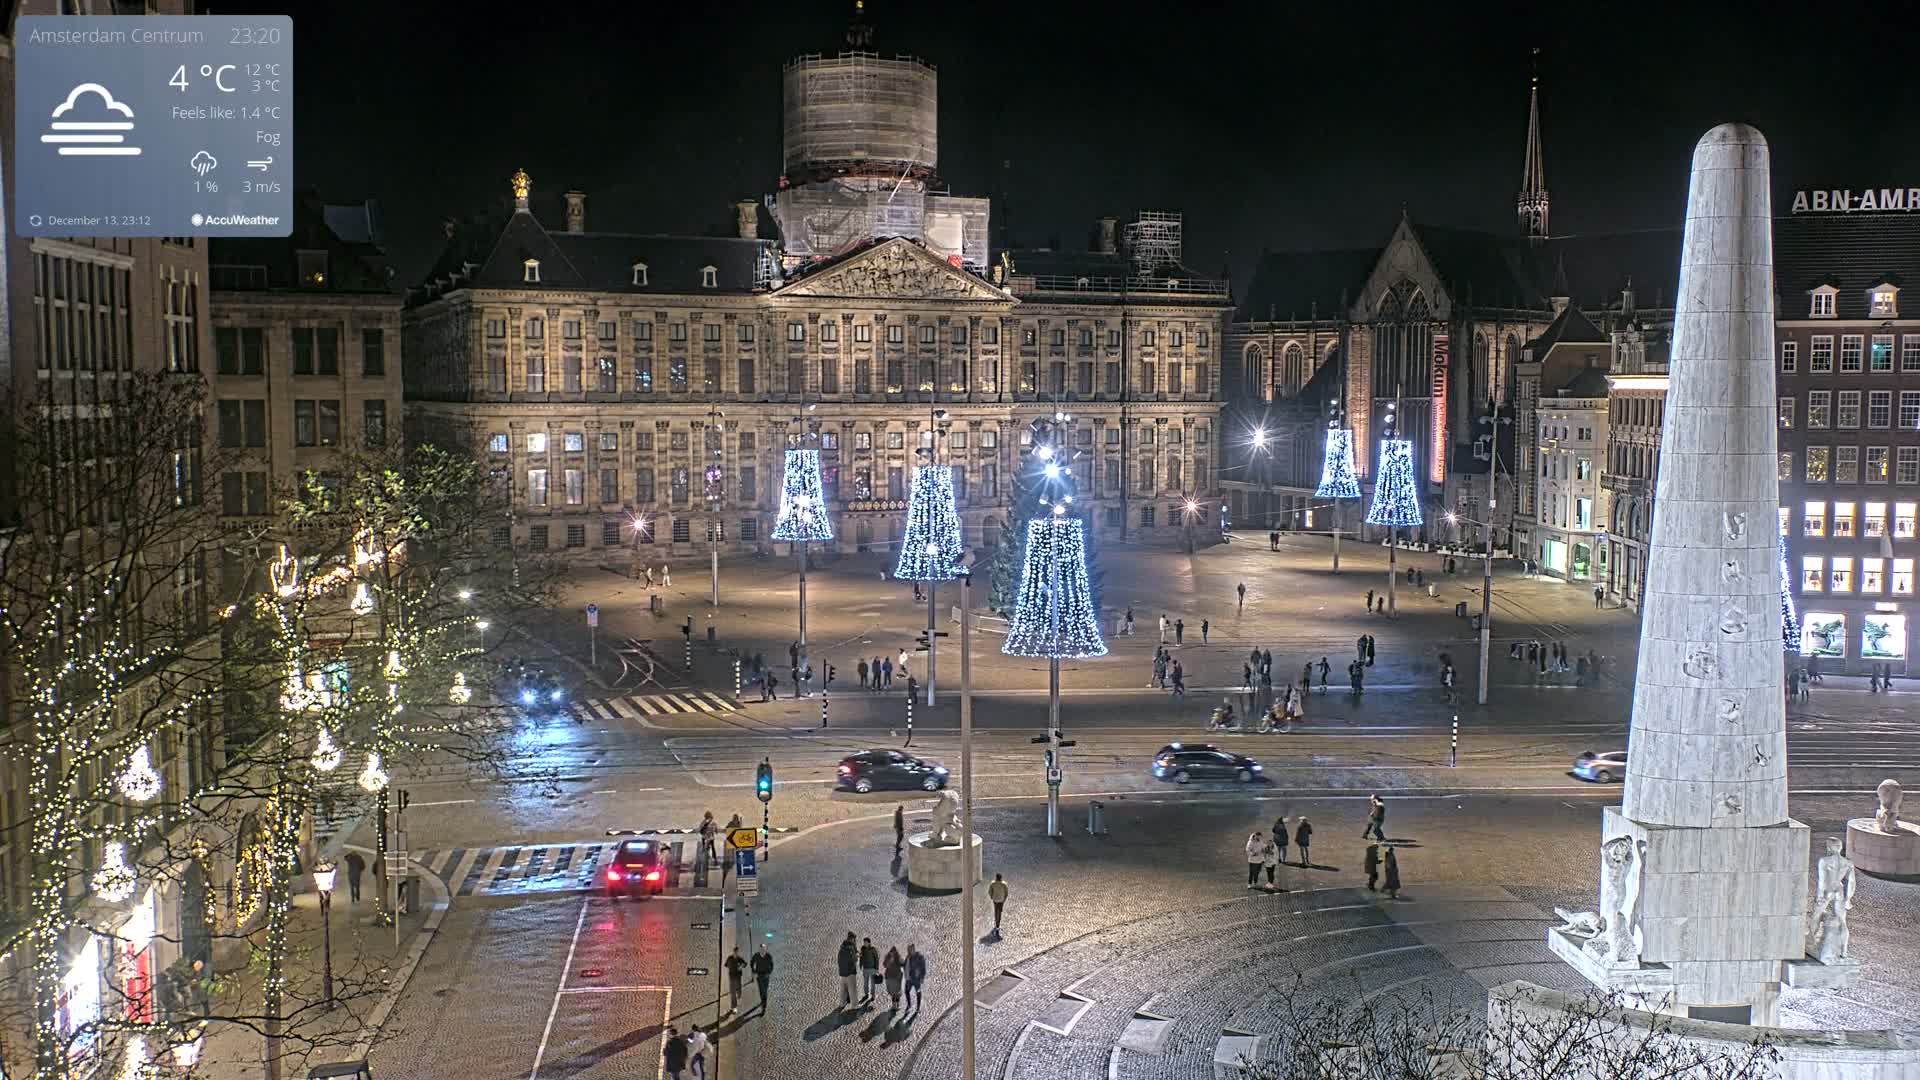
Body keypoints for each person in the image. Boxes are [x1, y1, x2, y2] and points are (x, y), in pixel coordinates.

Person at [837, 933, 860, 1010]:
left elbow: (839, 959)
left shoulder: (842, 947)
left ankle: (842, 1004)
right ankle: (854, 1005)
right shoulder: (850, 948)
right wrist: (857, 956)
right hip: (850, 972)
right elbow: (854, 959)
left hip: (842, 972)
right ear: (852, 939)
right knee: (852, 989)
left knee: (843, 990)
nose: (855, 941)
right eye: (854, 939)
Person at [752, 943, 774, 1010]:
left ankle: (764, 1005)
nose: (762, 950)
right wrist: (754, 971)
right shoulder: (756, 955)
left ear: (765, 949)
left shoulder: (769, 956)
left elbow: (772, 965)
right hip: (759, 976)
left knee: (765, 991)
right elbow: (752, 962)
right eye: (761, 949)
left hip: (766, 976)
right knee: (761, 991)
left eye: (764, 949)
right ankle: (762, 1001)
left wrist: (769, 972)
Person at [882, 946, 905, 1011]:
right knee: (893, 992)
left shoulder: (898, 958)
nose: (893, 954)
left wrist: (902, 961)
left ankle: (896, 1005)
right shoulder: (888, 957)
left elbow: (903, 964)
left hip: (896, 978)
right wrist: (889, 961)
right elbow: (884, 965)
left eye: (894, 953)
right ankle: (894, 1005)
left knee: (897, 992)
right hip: (891, 977)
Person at [725, 947, 747, 1013]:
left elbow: (745, 964)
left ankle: (739, 994)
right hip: (732, 977)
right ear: (733, 952)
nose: (735, 953)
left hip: (738, 977)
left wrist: (741, 966)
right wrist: (730, 969)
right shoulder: (729, 958)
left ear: (738, 953)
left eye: (737, 952)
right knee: (733, 992)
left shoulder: (740, 959)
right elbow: (726, 965)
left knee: (739, 990)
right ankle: (734, 1007)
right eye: (735, 952)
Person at [905, 944, 926, 1012]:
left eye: (910, 950)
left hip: (917, 979)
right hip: (910, 979)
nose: (909, 952)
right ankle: (909, 1005)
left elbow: (923, 968)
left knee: (918, 992)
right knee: (907, 991)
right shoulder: (908, 957)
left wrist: (922, 977)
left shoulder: (920, 957)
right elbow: (905, 967)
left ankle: (918, 1007)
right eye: (908, 950)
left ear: (913, 950)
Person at [859, 937, 881, 1003]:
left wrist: (877, 968)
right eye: (864, 942)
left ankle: (873, 995)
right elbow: (861, 957)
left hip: (872, 969)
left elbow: (876, 959)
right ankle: (866, 994)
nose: (864, 943)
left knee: (872, 983)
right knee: (865, 983)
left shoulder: (873, 949)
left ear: (869, 943)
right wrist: (860, 964)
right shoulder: (863, 949)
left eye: (865, 942)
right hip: (865, 968)